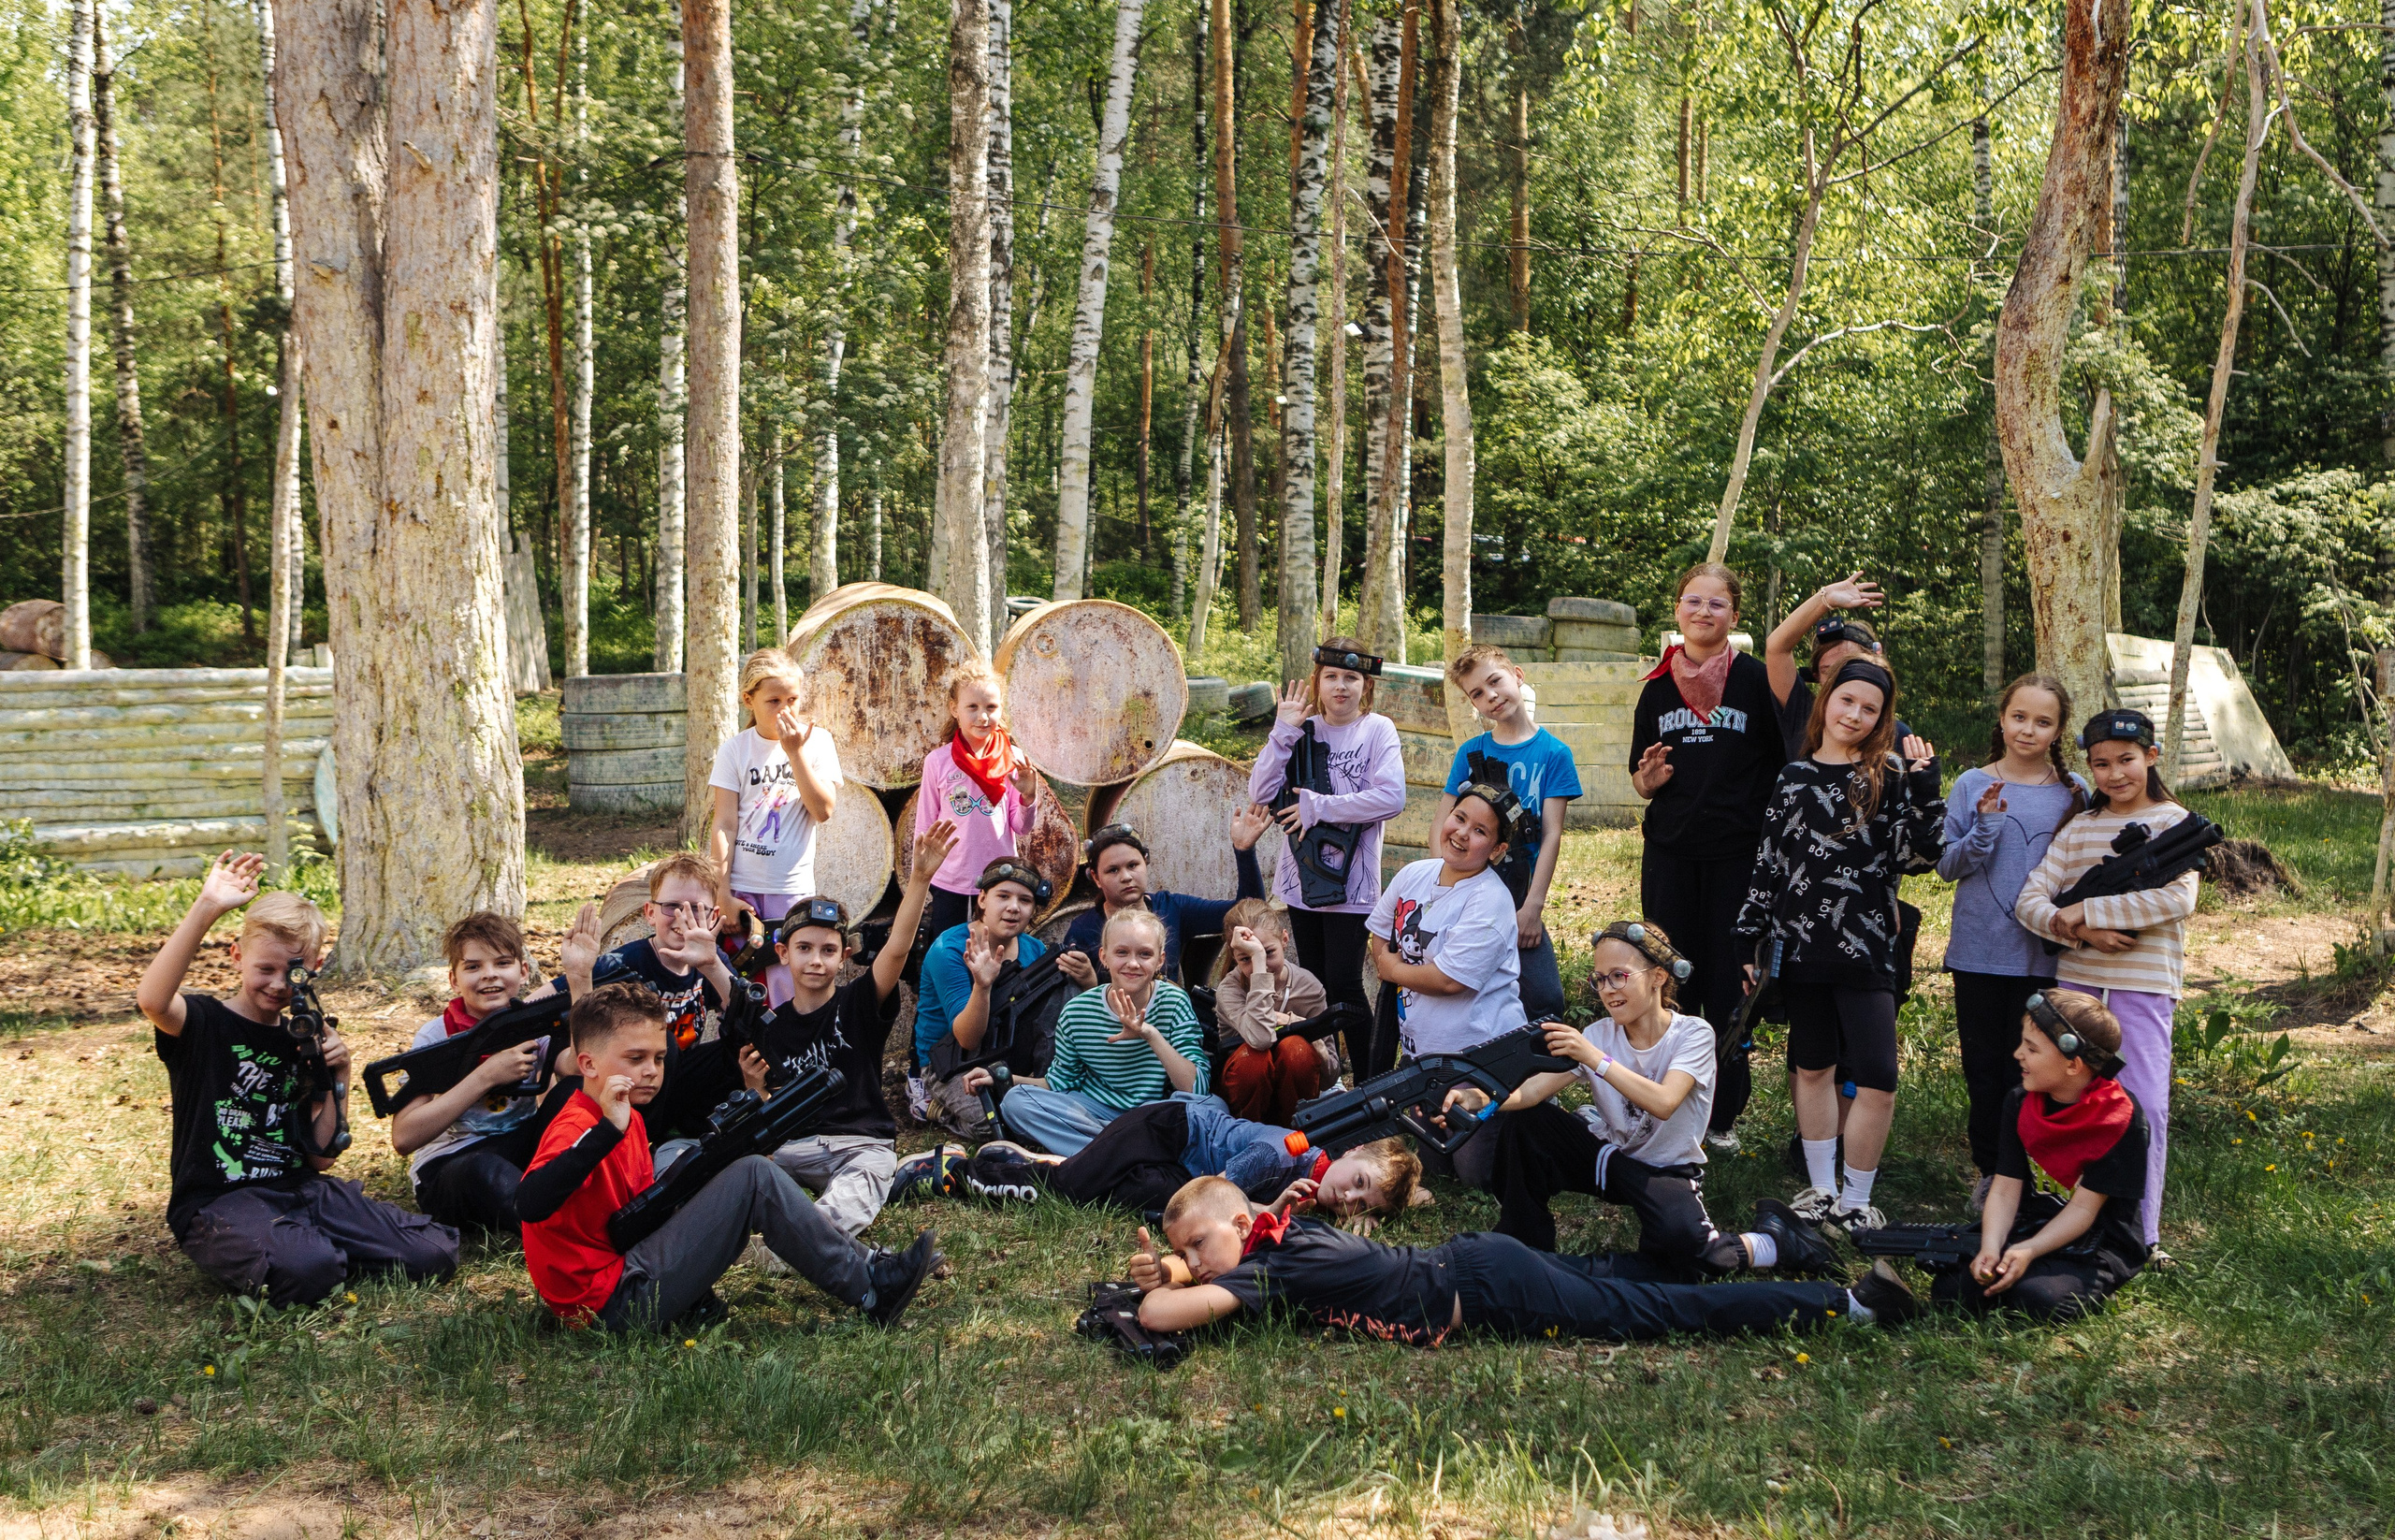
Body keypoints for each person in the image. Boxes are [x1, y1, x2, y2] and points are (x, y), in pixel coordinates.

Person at [517, 981, 941, 1330]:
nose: (651, 1070)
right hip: (608, 1307)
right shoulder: (582, 1126)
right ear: (588, 1064)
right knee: (754, 1177)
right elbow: (530, 1202)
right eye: (635, 1058)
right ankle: (871, 1291)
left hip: (622, 1274)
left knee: (718, 1165)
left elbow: (636, 1213)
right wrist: (605, 1133)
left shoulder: (629, 1116)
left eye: (660, 1057)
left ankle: (868, 1265)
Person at [137, 852, 458, 1307]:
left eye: (293, 971)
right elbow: (152, 1000)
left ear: (316, 966)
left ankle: (307, 1243)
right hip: (220, 1199)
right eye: (263, 969)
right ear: (237, 956)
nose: (277, 984)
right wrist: (208, 906)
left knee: (435, 1253)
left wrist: (339, 1074)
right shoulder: (204, 1022)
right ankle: (299, 1249)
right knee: (312, 1272)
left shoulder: (303, 1034)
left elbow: (320, 1157)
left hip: (300, 1187)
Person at [1123, 1174, 1922, 1344]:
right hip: (1479, 1264)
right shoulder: (1273, 1240)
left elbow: (1161, 1316)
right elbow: (1207, 1278)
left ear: (1244, 1220)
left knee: (1657, 1314)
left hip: (1492, 1287)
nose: (1194, 1258)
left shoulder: (1274, 1266)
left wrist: (1163, 1288)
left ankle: (1843, 1302)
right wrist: (1185, 1266)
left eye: (1197, 1243)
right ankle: (1768, 1252)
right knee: (1622, 1279)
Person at [1459, 922, 1837, 1280]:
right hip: (1611, 1159)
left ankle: (1771, 1240)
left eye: (1620, 976)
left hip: (1666, 1171)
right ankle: (1523, 1245)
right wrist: (1476, 1099)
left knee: (1686, 1255)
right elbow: (1533, 1092)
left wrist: (1594, 1059)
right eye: (1600, 979)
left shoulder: (1693, 1035)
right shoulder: (1599, 1034)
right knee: (1530, 1124)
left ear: (1659, 977)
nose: (1608, 989)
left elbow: (1665, 1102)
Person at [1735, 660, 1943, 1232]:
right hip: (1800, 947)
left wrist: (1927, 790)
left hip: (1869, 946)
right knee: (1812, 1066)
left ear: (1882, 719)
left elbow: (1921, 858)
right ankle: (1822, 1189)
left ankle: (1858, 1198)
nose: (1855, 715)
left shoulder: (1889, 776)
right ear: (1826, 701)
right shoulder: (1793, 778)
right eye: (1847, 700)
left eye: (1870, 709)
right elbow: (1769, 864)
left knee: (1877, 1074)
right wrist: (1748, 940)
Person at [2014, 707, 2198, 1258]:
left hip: (2144, 986)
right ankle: (2076, 1221)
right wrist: (2081, 935)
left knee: (2144, 1105)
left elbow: (2178, 899)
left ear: (2152, 757)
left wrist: (2093, 910)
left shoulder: (2174, 823)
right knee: (2073, 1103)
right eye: (2101, 764)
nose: (2115, 774)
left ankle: (2142, 1233)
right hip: (2077, 987)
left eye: (2127, 760)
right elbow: (2029, 901)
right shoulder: (2080, 828)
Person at [725, 820, 958, 1241]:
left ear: (845, 955)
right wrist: (754, 1088)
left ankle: (794, 1244)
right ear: (782, 953)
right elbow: (773, 1114)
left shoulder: (859, 1003)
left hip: (862, 1145)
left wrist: (921, 877)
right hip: (797, 1150)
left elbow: (899, 948)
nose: (816, 960)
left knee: (855, 1191)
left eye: (828, 950)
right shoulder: (771, 1029)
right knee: (739, 1165)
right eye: (804, 948)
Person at [1629, 562, 1787, 1149]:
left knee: (1728, 982)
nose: (1703, 612)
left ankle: (1719, 1115)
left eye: (1716, 604)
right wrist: (1646, 781)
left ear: (1735, 616)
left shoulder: (1754, 682)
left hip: (1738, 858)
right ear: (1677, 610)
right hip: (1670, 855)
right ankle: (1662, 1100)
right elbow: (1641, 781)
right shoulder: (1657, 686)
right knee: (1668, 975)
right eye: (1692, 601)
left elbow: (1784, 764)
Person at [1938, 674, 2087, 1207]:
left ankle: (2037, 1173)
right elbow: (1946, 866)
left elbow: (2085, 871)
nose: (2028, 730)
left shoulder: (2075, 793)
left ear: (2058, 731)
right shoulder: (1970, 784)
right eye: (2019, 717)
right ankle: (1993, 1173)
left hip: (2046, 960)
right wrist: (1983, 827)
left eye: (2043, 722)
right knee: (1985, 1070)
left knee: (2037, 1073)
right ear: (2001, 719)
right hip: (1979, 956)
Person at [1934, 991, 2151, 1319]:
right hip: (2032, 1227)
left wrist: (2027, 1251)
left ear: (2073, 1064)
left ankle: (2081, 1285)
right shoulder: (2020, 1102)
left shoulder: (2120, 1119)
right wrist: (1992, 1246)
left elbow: (2083, 1209)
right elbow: (2006, 1188)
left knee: (2036, 1299)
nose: (2018, 1054)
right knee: (1950, 1291)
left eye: (2032, 1049)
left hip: (2095, 1243)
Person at [1249, 638, 1408, 1078]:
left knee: (1344, 983)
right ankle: (1326, 1076)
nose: (1341, 687)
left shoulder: (1378, 729)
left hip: (1352, 886)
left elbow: (1392, 797)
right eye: (1332, 677)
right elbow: (1259, 793)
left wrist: (1318, 806)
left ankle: (1372, 1079)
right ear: (1318, 681)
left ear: (1365, 685)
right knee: (1314, 984)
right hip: (1300, 881)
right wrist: (1282, 732)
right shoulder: (1301, 729)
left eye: (1352, 678)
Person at [1365, 786, 1532, 1190]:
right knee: (1434, 1169)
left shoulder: (1490, 900)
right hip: (1426, 1062)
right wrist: (1385, 960)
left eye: (1479, 831)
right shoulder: (1414, 874)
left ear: (1496, 849)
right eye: (1459, 818)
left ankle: (1530, 1115)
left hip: (1480, 1062)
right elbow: (1377, 931)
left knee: (1477, 1176)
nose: (1461, 833)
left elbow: (1448, 980)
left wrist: (1390, 968)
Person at [392, 910, 597, 1232]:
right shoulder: (435, 1036)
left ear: (524, 971)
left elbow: (585, 1065)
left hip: (520, 1150)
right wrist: (486, 1075)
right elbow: (404, 1137)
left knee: (576, 1092)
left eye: (502, 963)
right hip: (452, 1167)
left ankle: (589, 1202)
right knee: (482, 1169)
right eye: (473, 966)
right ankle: (560, 1226)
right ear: (453, 979)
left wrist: (580, 978)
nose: (489, 975)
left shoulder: (530, 1023)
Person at [942, 1093, 1419, 1228]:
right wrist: (1265, 1211)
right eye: (1357, 1180)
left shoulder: (1316, 1193)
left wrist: (1386, 1207)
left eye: (1361, 1203)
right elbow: (1214, 1199)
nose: (1348, 1197)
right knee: (1068, 1190)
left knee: (1124, 1199)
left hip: (1182, 1171)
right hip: (1167, 1129)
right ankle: (962, 1172)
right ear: (1352, 1151)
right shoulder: (1284, 1153)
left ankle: (1042, 1160)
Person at [964, 908, 1204, 1156]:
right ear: (1104, 957)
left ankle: (1101, 1154)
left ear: (1160, 960)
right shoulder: (1077, 1011)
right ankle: (1126, 1153)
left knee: (1207, 1108)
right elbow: (1058, 1083)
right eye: (1121, 952)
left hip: (1151, 1113)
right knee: (1017, 1101)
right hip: (1094, 1112)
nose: (1133, 963)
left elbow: (1195, 1088)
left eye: (1145, 954)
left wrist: (1151, 1035)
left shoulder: (1174, 1002)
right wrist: (1002, 1078)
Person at [559, 852, 745, 1143]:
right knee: (663, 1043)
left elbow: (747, 1016)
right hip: (625, 1085)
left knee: (737, 1043)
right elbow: (550, 997)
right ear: (650, 912)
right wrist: (579, 974)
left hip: (674, 1082)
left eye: (696, 909)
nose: (683, 918)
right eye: (672, 907)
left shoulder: (711, 959)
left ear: (712, 917)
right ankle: (643, 1140)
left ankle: (700, 1130)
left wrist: (712, 966)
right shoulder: (625, 962)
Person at [1443, 643, 1583, 1023]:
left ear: (1517, 676)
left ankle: (1529, 1079)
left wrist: (1533, 907)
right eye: (1477, 693)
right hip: (1470, 890)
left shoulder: (1554, 754)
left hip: (1519, 894)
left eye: (1495, 682)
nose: (1490, 696)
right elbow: (1442, 827)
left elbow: (1552, 834)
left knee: (1544, 1000)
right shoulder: (1471, 753)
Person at [708, 647, 843, 1009]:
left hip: (792, 889)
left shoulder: (817, 743)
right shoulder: (735, 749)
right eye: (773, 700)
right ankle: (742, 1058)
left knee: (789, 984)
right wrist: (721, 892)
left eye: (793, 699)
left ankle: (788, 1058)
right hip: (742, 888)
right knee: (739, 986)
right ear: (749, 700)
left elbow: (823, 810)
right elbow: (724, 822)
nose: (785, 709)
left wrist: (795, 752)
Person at [911, 858, 1056, 1139]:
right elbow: (967, 1040)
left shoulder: (1034, 949)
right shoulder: (949, 950)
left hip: (1009, 1050)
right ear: (982, 898)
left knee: (1041, 1107)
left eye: (1025, 900)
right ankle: (939, 1109)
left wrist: (1086, 981)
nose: (1014, 907)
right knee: (994, 1122)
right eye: (1003, 896)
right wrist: (982, 985)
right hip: (950, 1061)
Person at [1059, 810, 1272, 988]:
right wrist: (1090, 982)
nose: (1126, 876)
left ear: (1145, 861)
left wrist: (1244, 851)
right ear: (1096, 878)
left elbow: (1247, 910)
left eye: (1133, 865)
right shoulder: (1083, 931)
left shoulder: (1171, 908)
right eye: (1112, 870)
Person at [1212, 898, 1335, 1124]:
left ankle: (1294, 1132)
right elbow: (1260, 1039)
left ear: (1285, 940)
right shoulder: (1230, 990)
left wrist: (1308, 1034)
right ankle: (1248, 1135)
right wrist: (1258, 963)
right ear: (1235, 957)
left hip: (1296, 1099)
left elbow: (1330, 1077)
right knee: (1255, 1058)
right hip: (1246, 1099)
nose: (1262, 964)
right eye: (1245, 958)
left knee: (1295, 1048)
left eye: (1268, 953)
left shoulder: (1309, 987)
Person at [1763, 573, 1893, 759]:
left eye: (1849, 668)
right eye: (1830, 671)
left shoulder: (1894, 733)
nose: (1840, 679)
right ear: (1816, 675)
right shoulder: (1802, 712)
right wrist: (1826, 598)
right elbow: (1777, 648)